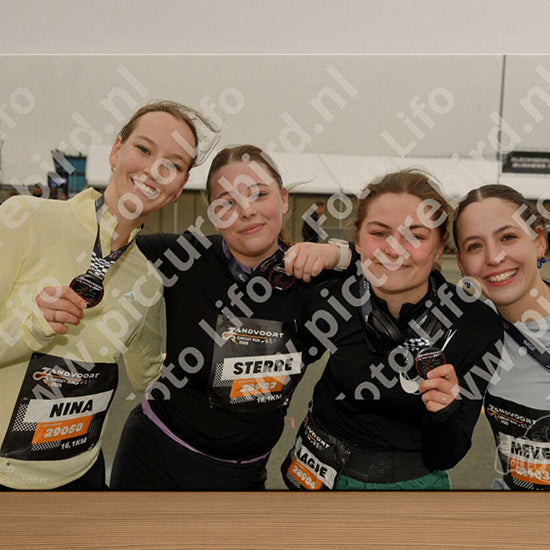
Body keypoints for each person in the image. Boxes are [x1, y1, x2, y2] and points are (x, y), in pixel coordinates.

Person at [0, 100, 215, 490]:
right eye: (144, 149)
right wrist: (31, 330)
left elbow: (151, 375)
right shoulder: (24, 219)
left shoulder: (147, 279)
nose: (155, 170)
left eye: (173, 165)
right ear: (116, 151)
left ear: (179, 188)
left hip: (84, 478)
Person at [110, 145, 350, 490]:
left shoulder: (316, 281)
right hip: (153, 460)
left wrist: (338, 253)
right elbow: (99, 239)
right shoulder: (185, 257)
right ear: (213, 214)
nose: (246, 211)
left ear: (284, 200)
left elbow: (399, 268)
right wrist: (132, 178)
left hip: (244, 476)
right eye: (227, 202)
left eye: (259, 194)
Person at [282, 169, 503, 491]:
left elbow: (447, 455)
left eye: (416, 236)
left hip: (410, 484)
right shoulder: (327, 294)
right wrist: (335, 254)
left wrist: (444, 411)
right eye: (379, 233)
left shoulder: (474, 324)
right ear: (358, 240)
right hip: (314, 471)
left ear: (439, 247)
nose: (394, 249)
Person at [453, 184, 550, 491]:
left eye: (507, 237)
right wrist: (340, 254)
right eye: (474, 246)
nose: (494, 257)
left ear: (539, 243)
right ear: (462, 265)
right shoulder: (471, 337)